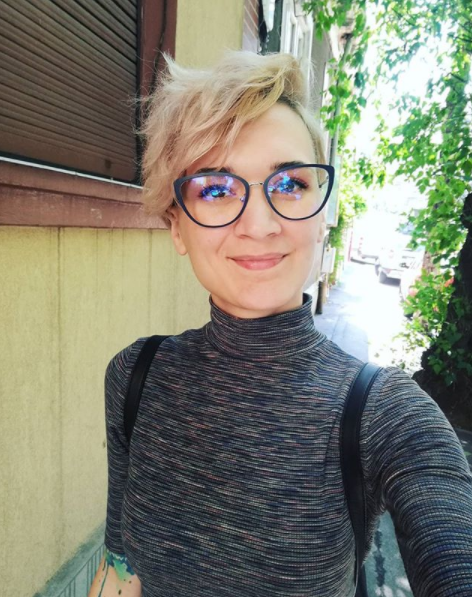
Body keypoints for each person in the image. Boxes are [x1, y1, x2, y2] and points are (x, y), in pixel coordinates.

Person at [88, 50, 472, 597]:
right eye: (216, 189)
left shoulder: (385, 414)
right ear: (177, 228)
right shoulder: (135, 378)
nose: (260, 224)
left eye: (290, 183)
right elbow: (120, 570)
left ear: (322, 216)